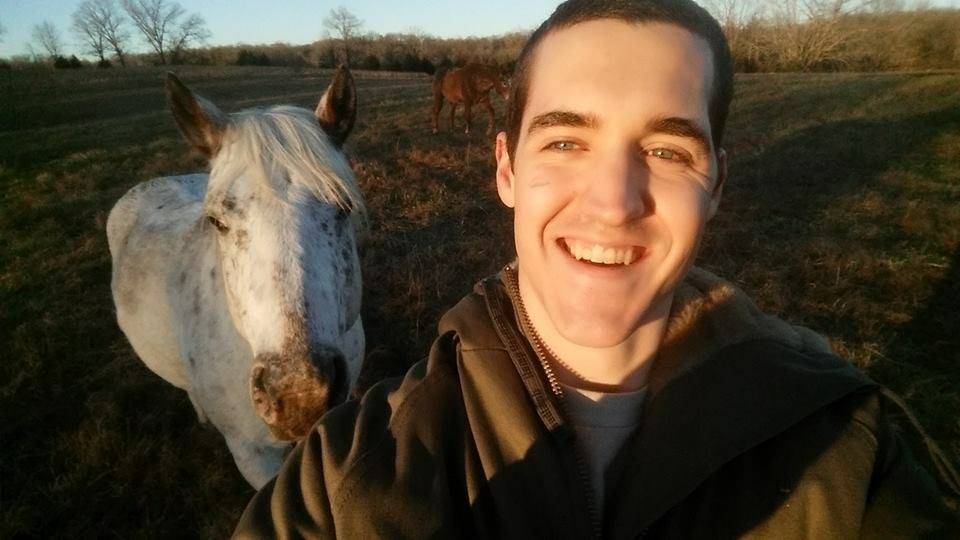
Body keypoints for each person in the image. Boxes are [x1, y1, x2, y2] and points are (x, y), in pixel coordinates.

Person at [234, 0, 960, 537]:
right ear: (506, 170)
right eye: (565, 141)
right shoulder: (340, 483)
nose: (614, 203)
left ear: (717, 187)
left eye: (669, 151)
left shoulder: (848, 452)